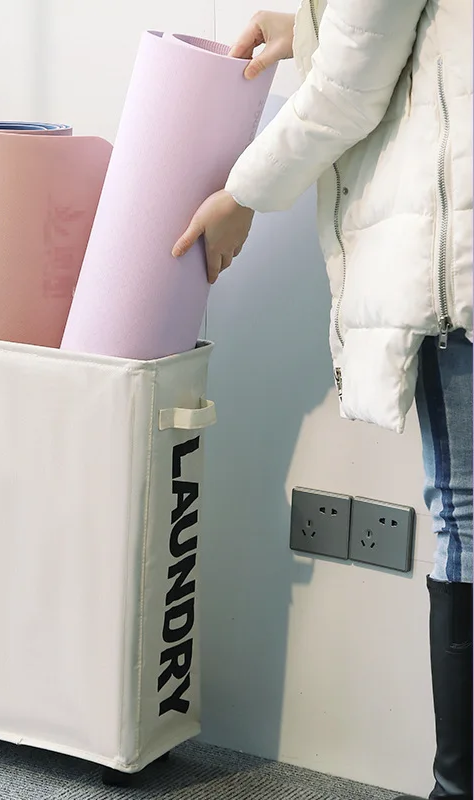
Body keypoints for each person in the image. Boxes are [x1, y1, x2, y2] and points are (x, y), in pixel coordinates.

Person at [172, 3, 472, 799]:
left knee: (467, 519)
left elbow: (348, 88)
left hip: (460, 248)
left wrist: (240, 195)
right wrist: (308, 32)